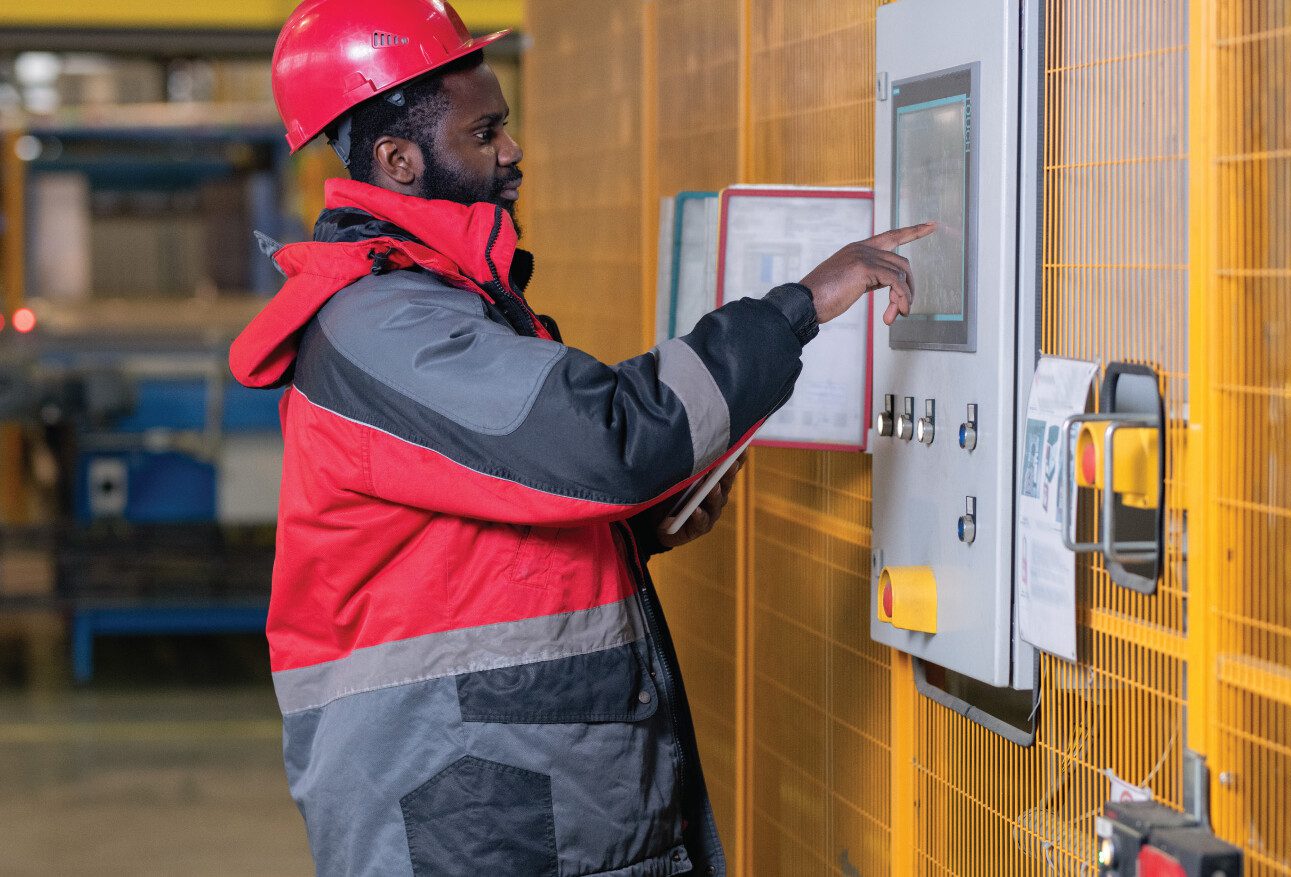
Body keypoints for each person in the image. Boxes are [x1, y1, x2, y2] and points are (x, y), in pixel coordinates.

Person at [232, 1, 932, 874]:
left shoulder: (443, 303)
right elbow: (607, 438)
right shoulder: (390, 325)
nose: (512, 151)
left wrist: (634, 524)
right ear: (399, 160)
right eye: (485, 132)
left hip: (505, 795)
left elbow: (472, 538)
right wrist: (800, 307)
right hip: (472, 810)